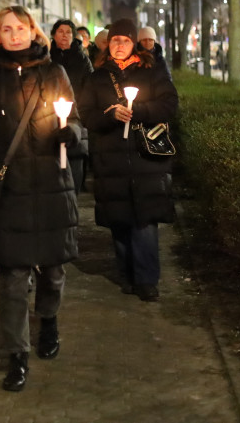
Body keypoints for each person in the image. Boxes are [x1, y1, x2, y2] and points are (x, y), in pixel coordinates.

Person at [0, 5, 82, 393]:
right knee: (11, 279)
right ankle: (17, 354)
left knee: (54, 271)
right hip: (8, 192)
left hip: (51, 185)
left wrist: (71, 134)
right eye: (5, 30)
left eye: (20, 27)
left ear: (32, 30)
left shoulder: (54, 73)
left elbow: (74, 119)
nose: (13, 35)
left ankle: (49, 319)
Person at [78, 18, 178, 303]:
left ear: (134, 42)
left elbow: (169, 103)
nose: (119, 45)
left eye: (124, 40)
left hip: (145, 158)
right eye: (114, 40)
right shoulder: (97, 76)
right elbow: (87, 114)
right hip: (112, 158)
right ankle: (127, 274)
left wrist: (140, 111)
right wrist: (110, 115)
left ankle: (147, 280)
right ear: (107, 45)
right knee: (119, 219)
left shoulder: (151, 70)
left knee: (144, 219)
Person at [49, 19, 92, 192]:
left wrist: (80, 110)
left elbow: (89, 87)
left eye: (68, 32)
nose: (64, 35)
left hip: (76, 117)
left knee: (75, 158)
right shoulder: (47, 57)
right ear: (54, 35)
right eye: (61, 31)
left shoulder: (82, 60)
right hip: (50, 117)